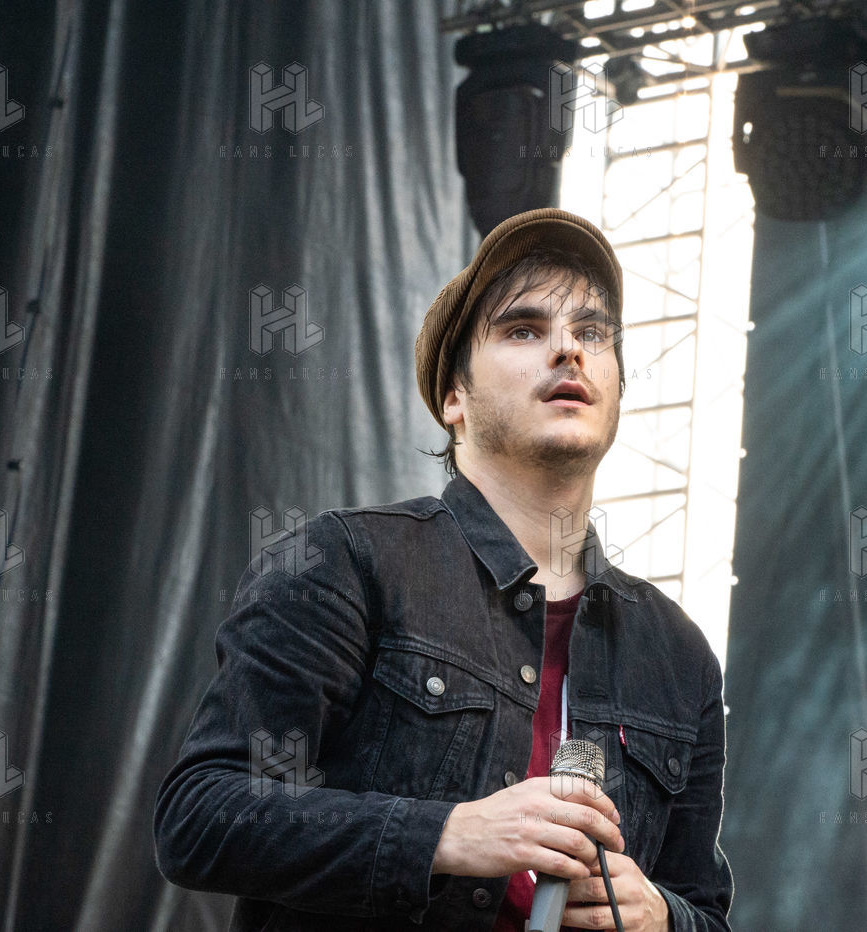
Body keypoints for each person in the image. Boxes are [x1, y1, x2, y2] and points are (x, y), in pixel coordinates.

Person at [154, 208, 733, 931]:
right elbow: (202, 815)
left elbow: (706, 910)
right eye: (523, 330)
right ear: (453, 397)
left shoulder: (680, 657)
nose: (569, 350)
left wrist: (661, 916)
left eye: (592, 333)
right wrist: (448, 836)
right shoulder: (347, 561)